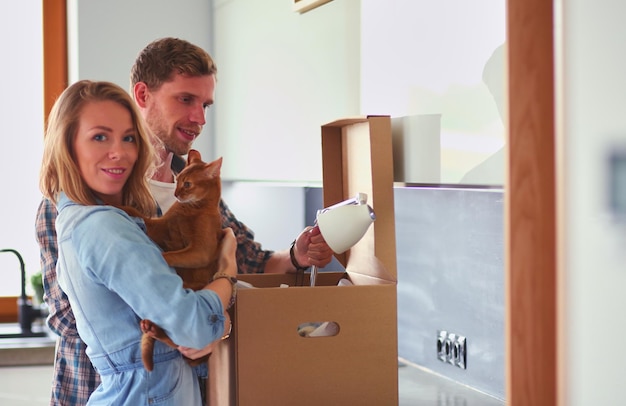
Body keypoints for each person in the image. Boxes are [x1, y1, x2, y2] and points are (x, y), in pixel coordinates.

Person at [35, 37, 333, 404]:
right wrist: (191, 324)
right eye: (186, 99)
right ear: (142, 95)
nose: (199, 118)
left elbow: (245, 261)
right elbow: (67, 314)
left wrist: (297, 256)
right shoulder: (83, 201)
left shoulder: (196, 187)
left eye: (205, 104)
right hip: (97, 388)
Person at [39, 80, 237, 405]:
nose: (120, 152)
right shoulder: (103, 227)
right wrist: (226, 273)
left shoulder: (83, 218)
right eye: (100, 136)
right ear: (68, 145)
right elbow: (195, 327)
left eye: (129, 138)